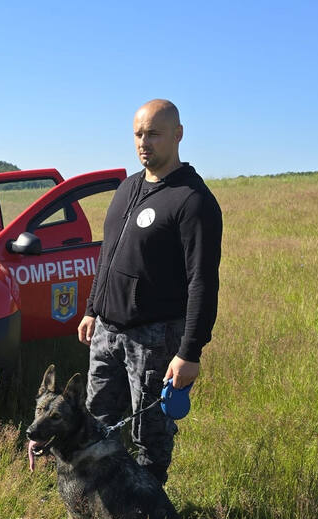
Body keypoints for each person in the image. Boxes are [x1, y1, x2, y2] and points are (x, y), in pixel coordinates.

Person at [76, 99, 222, 484]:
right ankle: (100, 499)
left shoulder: (192, 200)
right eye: (139, 134)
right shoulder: (128, 188)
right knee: (98, 421)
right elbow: (109, 253)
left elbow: (202, 281)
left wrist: (190, 352)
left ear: (178, 135)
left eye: (154, 134)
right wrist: (93, 308)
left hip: (155, 340)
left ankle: (147, 516)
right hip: (107, 331)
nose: (144, 142)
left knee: (149, 436)